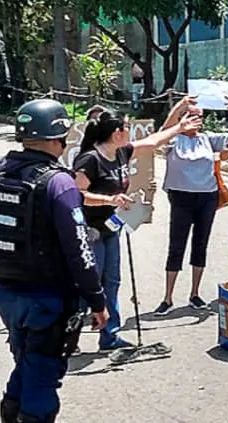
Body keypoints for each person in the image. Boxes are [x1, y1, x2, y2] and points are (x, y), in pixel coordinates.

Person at [0, 100, 109, 423]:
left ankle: (11, 412)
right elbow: (79, 248)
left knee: (28, 361)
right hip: (47, 298)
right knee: (43, 374)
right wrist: (97, 300)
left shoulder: (5, 172)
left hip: (8, 294)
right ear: (57, 137)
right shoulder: (59, 182)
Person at [74, 108, 200, 350]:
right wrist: (109, 200)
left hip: (111, 229)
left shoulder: (121, 153)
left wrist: (179, 127)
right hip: (90, 232)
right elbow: (77, 195)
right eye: (127, 127)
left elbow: (152, 141)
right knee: (88, 285)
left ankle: (110, 336)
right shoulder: (90, 159)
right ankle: (68, 336)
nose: (130, 131)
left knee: (112, 281)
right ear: (116, 133)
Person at [153, 96, 228, 316]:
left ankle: (194, 293)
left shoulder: (207, 139)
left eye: (199, 117)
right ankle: (168, 297)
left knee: (200, 243)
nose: (197, 120)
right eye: (192, 116)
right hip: (181, 197)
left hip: (207, 197)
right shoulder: (173, 139)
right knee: (176, 245)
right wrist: (180, 106)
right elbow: (164, 129)